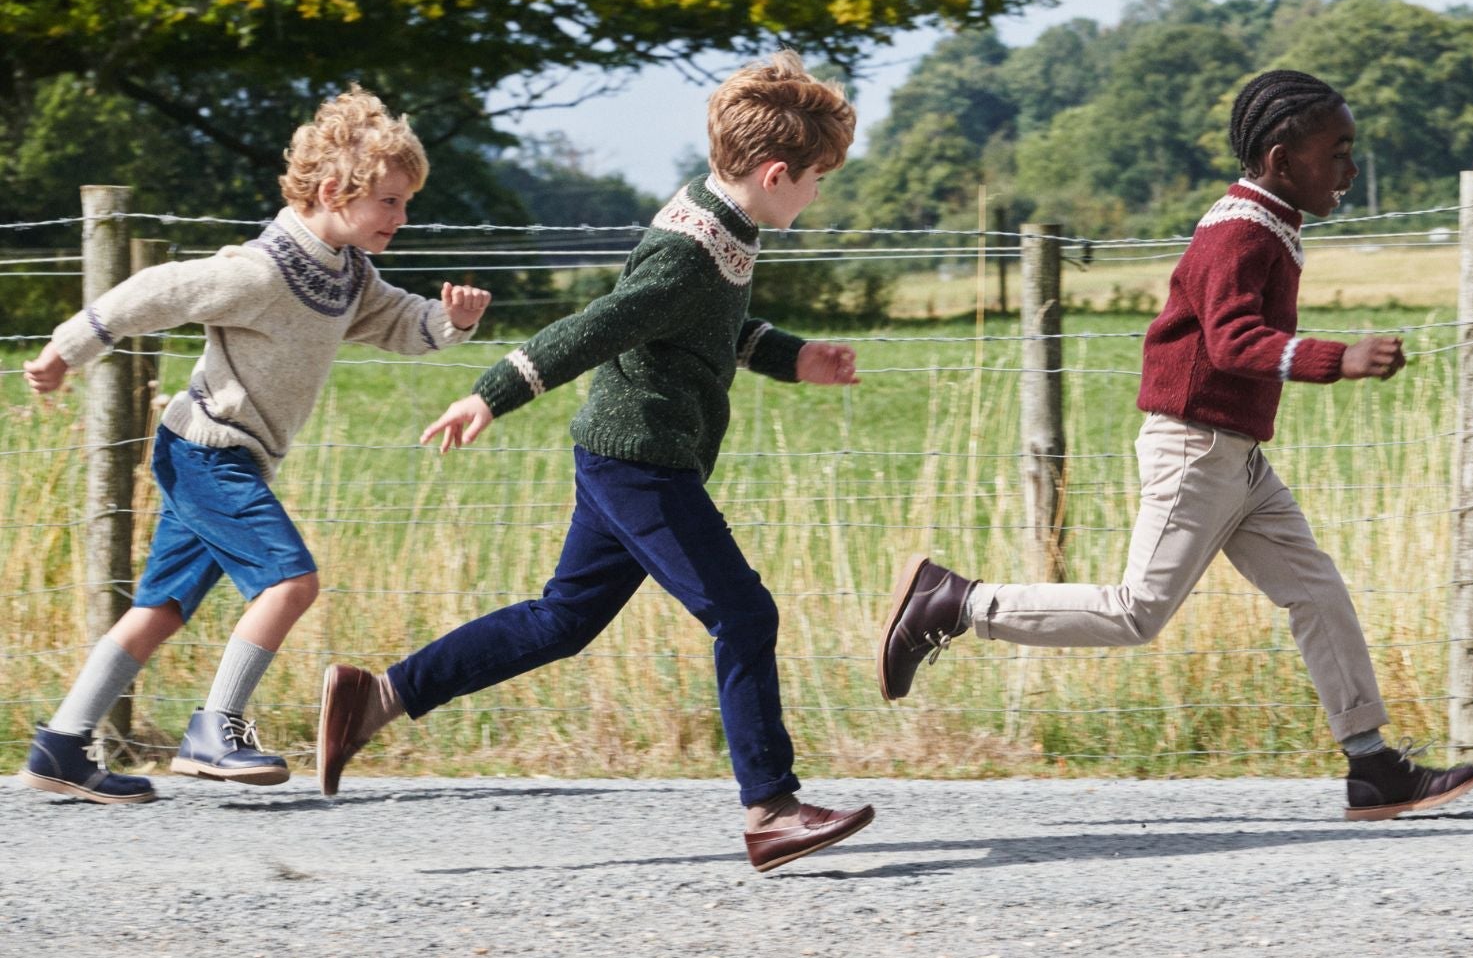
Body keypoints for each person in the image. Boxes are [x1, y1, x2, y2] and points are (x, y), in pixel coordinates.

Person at [319, 51, 875, 872]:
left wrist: (797, 359)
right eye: (818, 179)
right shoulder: (690, 248)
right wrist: (489, 394)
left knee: (564, 619)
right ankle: (771, 808)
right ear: (776, 171)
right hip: (641, 465)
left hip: (627, 455)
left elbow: (709, 332)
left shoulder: (722, 221)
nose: (819, 194)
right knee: (745, 616)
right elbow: (599, 327)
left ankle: (382, 695)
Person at [880, 68, 1473, 822]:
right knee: (1136, 612)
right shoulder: (1238, 231)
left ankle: (1372, 766)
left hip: (1237, 456)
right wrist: (1340, 358)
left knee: (1315, 589)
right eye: (1338, 151)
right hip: (1195, 449)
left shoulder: (1268, 222)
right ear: (1279, 158)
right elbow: (1231, 343)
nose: (1350, 169)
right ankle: (957, 603)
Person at [21, 88, 489, 804]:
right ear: (334, 191)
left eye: (404, 203)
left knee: (162, 609)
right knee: (290, 581)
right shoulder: (263, 270)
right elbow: (156, 290)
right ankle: (216, 727)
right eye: (391, 202)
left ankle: (61, 745)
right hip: (207, 449)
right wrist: (66, 349)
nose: (402, 216)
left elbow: (401, 323)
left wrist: (452, 321)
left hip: (223, 455)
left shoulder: (346, 272)